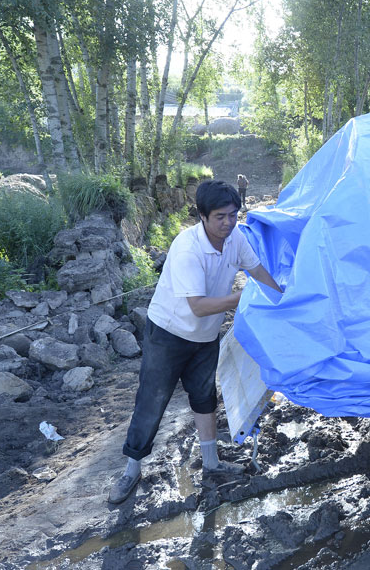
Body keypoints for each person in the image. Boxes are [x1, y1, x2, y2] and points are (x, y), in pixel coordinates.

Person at [108, 179, 282, 505]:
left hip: (205, 336)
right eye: (220, 216)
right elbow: (198, 306)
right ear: (202, 215)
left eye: (233, 214)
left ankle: (212, 463)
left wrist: (281, 298)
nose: (228, 222)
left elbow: (257, 271)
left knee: (204, 397)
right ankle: (131, 468)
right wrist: (242, 298)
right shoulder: (188, 248)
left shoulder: (236, 238)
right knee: (152, 400)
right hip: (169, 335)